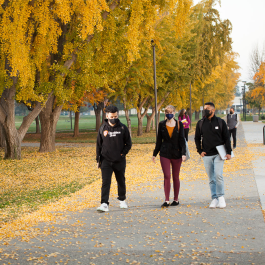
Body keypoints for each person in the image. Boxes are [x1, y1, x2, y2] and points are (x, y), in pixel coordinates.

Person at [195, 102, 232, 209]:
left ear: (213, 110)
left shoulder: (220, 122)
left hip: (219, 154)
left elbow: (226, 138)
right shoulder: (201, 123)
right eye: (204, 108)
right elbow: (197, 138)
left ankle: (221, 197)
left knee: (218, 175)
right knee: (211, 178)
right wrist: (199, 150)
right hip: (206, 154)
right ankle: (214, 198)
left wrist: (228, 152)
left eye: (207, 109)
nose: (205, 110)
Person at [96, 105, 132, 212]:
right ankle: (104, 203)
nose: (113, 118)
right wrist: (98, 159)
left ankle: (122, 200)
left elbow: (128, 144)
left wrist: (122, 154)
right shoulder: (102, 128)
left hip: (119, 160)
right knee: (105, 182)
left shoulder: (123, 128)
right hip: (106, 160)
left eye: (115, 116)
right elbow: (98, 145)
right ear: (107, 116)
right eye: (111, 116)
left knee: (121, 180)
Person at [152, 105, 186, 207]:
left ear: (174, 113)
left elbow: (182, 140)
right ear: (165, 114)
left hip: (177, 153)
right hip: (164, 153)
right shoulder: (162, 124)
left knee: (176, 177)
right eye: (167, 112)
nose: (169, 114)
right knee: (167, 175)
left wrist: (183, 153)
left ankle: (176, 199)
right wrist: (154, 154)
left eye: (170, 112)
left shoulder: (179, 124)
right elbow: (159, 140)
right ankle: (166, 200)